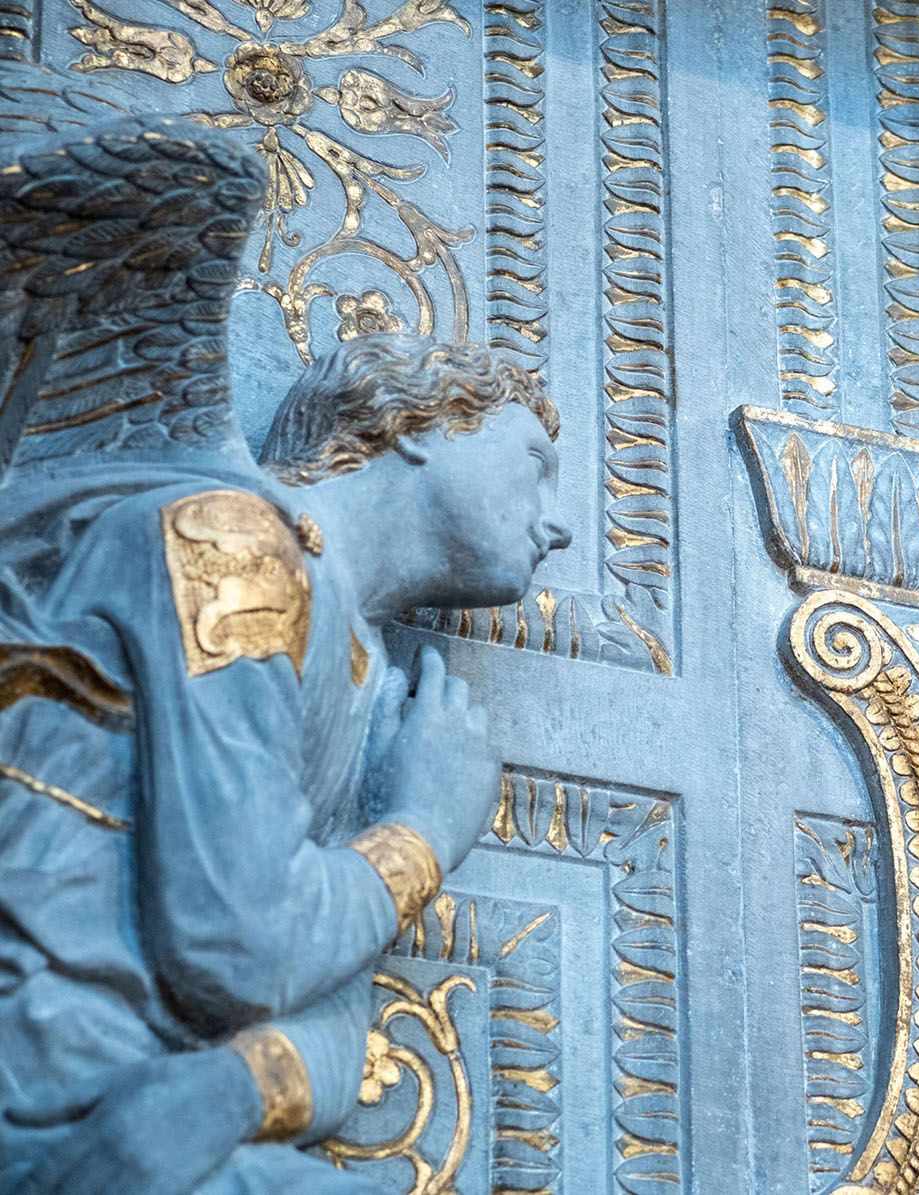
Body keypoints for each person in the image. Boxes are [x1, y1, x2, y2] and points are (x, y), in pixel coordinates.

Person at [0, 331, 572, 1194]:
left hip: (130, 1111)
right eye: (535, 463)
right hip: (40, 1066)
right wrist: (423, 831)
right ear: (420, 423)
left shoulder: (370, 683)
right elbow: (239, 945)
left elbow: (335, 1018)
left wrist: (229, 1088)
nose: (558, 524)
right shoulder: (230, 546)